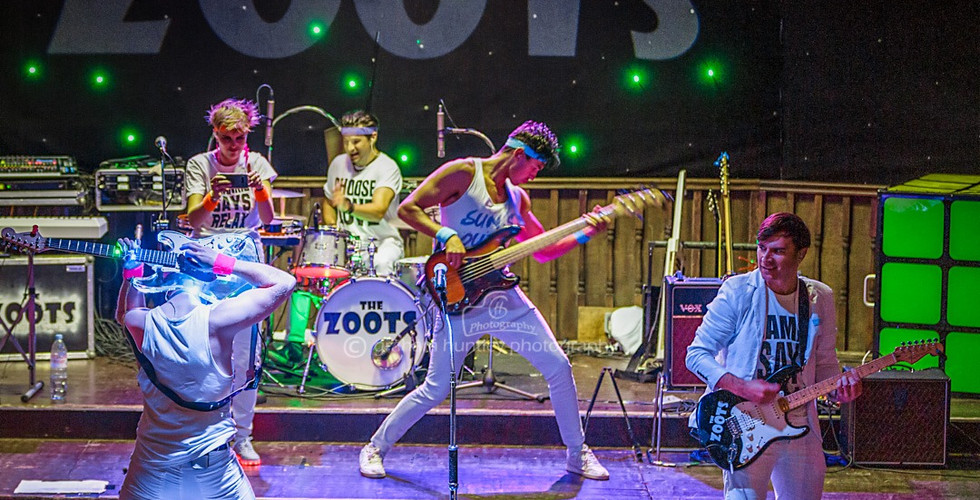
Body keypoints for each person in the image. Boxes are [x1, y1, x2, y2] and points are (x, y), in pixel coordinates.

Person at [358, 120, 610, 481]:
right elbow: (408, 209)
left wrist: (585, 234)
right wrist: (447, 234)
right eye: (536, 168)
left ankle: (577, 453)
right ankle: (375, 447)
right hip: (460, 298)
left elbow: (542, 250)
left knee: (558, 366)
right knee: (436, 388)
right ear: (519, 155)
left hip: (503, 298)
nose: (535, 178)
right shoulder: (463, 173)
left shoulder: (517, 198)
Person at [686, 212, 862, 500]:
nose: (765, 259)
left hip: (800, 425)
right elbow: (696, 354)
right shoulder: (738, 292)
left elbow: (826, 364)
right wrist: (742, 387)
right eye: (762, 247)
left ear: (801, 254)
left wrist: (840, 391)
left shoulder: (820, 297)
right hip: (746, 425)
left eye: (778, 251)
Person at [115, 239, 294, 499]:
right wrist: (224, 263)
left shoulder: (141, 323)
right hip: (213, 472)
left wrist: (131, 273)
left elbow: (127, 311)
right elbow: (284, 283)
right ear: (206, 279)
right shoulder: (218, 320)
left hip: (153, 467)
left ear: (163, 278)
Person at [184, 97, 277, 466]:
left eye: (240, 138)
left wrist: (259, 190)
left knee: (246, 354)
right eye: (227, 139)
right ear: (216, 135)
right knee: (201, 347)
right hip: (207, 258)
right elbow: (193, 220)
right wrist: (211, 196)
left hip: (245, 258)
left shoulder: (257, 163)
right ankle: (204, 429)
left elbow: (268, 218)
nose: (234, 146)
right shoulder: (199, 165)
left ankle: (242, 435)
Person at [322, 110, 404, 276]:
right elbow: (329, 201)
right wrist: (333, 230)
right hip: (348, 246)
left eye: (356, 142)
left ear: (373, 137)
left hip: (382, 243)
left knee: (382, 264)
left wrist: (348, 207)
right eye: (346, 142)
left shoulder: (387, 167)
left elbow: (378, 211)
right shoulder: (338, 164)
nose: (350, 148)